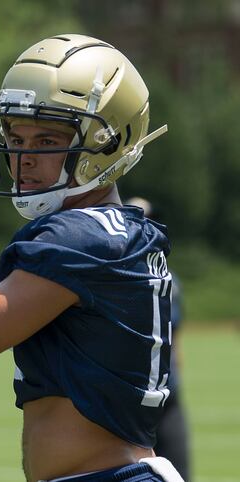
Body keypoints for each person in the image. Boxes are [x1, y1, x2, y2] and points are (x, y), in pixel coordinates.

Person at [0, 34, 184, 481]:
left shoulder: (77, 238)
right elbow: (24, 322)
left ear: (108, 143)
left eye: (46, 140)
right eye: (15, 136)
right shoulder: (121, 233)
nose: (22, 157)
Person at [125, 197, 192, 482]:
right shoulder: (111, 275)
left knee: (179, 472)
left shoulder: (170, 279)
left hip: (167, 392)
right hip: (128, 398)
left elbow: (174, 332)